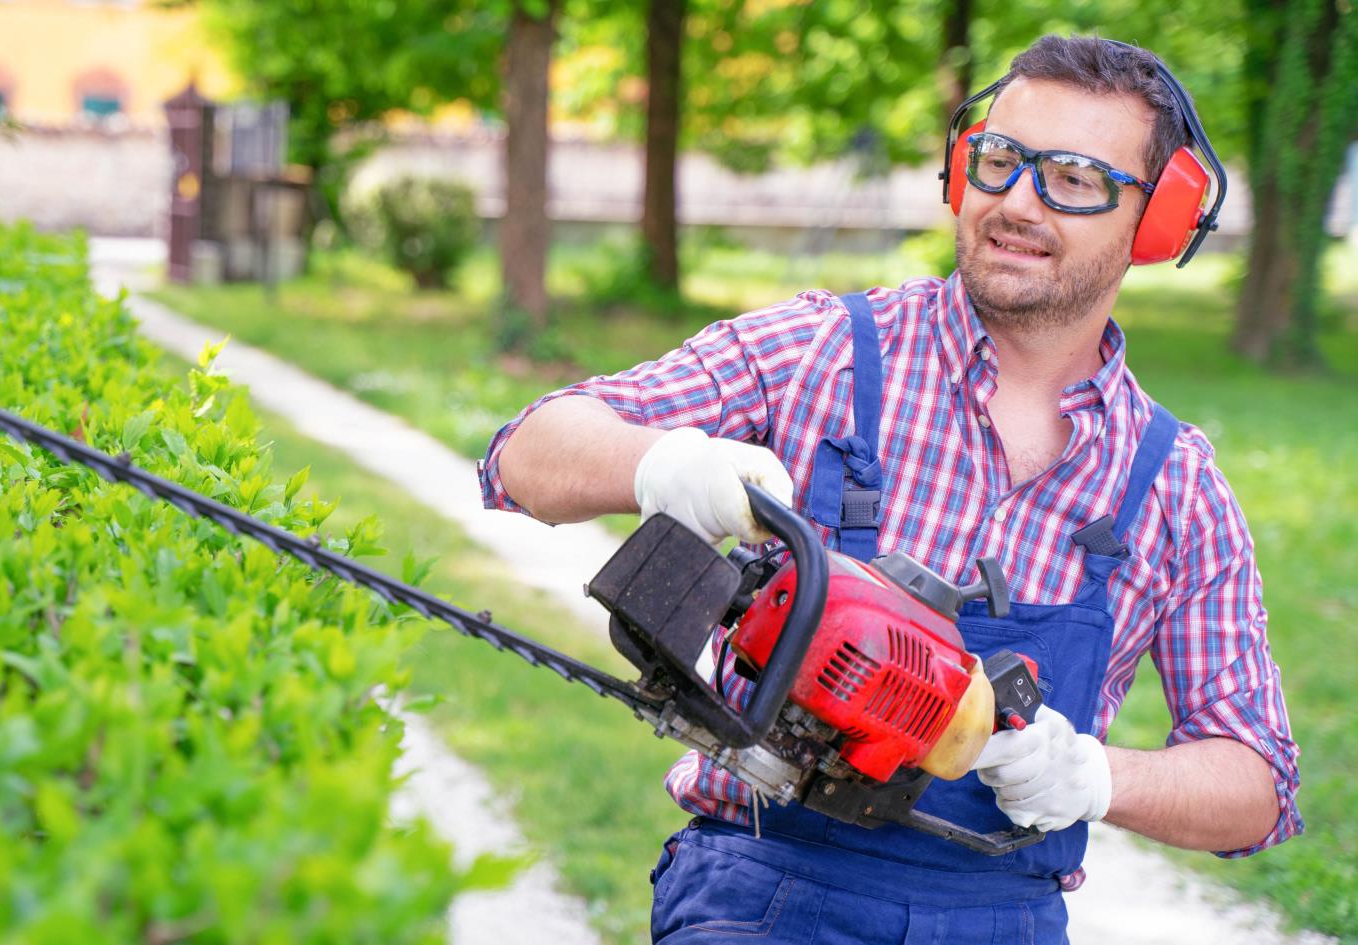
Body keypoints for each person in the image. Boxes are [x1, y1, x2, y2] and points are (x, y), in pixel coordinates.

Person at [477, 34, 1302, 945]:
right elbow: (526, 453)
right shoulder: (824, 352)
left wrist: (1097, 777)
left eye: (1071, 178)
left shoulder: (1174, 485)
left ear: (1157, 222)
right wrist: (662, 467)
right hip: (763, 889)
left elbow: (1256, 783)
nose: (1018, 200)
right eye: (999, 161)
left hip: (1005, 918)